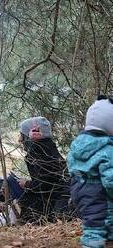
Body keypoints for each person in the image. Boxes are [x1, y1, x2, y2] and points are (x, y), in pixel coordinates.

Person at [68, 96, 113, 248]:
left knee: (96, 218)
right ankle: (92, 244)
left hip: (78, 189)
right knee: (95, 226)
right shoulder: (107, 149)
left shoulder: (77, 145)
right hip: (97, 193)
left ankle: (109, 235)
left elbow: (71, 167)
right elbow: (110, 180)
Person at [15, 116, 70, 223]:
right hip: (56, 199)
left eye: (22, 135)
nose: (20, 140)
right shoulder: (47, 149)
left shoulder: (39, 152)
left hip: (55, 203)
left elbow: (46, 184)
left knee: (27, 199)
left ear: (31, 134)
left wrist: (27, 184)